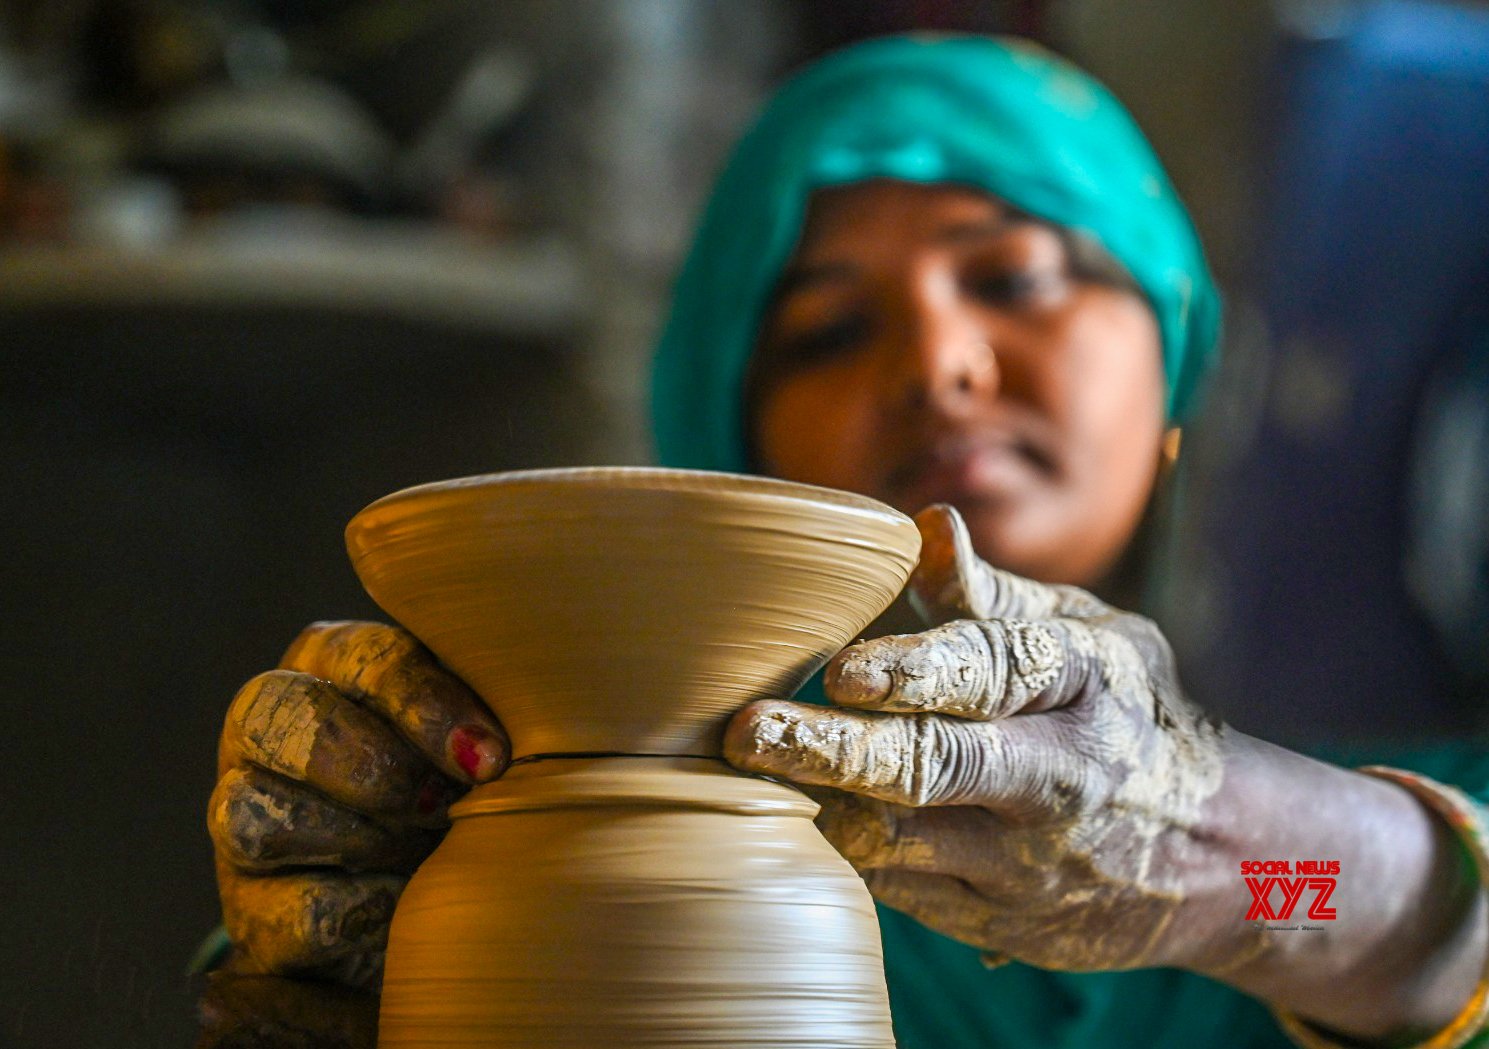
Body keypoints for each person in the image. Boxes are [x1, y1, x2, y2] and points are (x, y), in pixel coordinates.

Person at [197, 36, 1489, 1049]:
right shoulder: (542, 810)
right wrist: (356, 969)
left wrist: (1214, 856)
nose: (937, 365)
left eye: (1015, 277)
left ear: (1177, 345)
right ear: (733, 428)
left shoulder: (1424, 683)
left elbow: (1396, 915)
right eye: (822, 332)